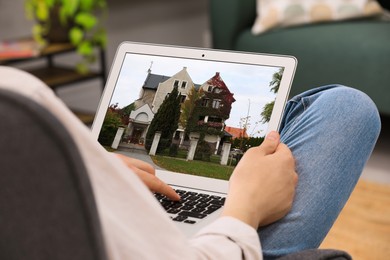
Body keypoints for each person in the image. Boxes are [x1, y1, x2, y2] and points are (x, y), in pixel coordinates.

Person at [0, 66, 381, 260]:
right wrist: (244, 208)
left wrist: (96, 170)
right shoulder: (17, 103)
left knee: (339, 105)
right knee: (349, 109)